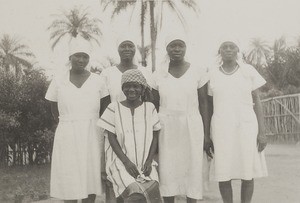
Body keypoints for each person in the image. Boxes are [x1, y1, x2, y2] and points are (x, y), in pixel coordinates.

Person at [45, 37, 110, 203]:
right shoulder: (58, 80)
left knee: (90, 175)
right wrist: (64, 122)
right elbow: (52, 106)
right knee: (69, 176)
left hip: (92, 132)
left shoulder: (98, 81)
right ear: (70, 57)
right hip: (67, 132)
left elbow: (105, 108)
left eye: (85, 56)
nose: (81, 60)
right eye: (77, 56)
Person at [206, 38, 268, 203]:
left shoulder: (248, 70)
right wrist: (208, 135)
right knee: (223, 171)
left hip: (246, 126)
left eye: (232, 46)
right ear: (219, 51)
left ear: (237, 50)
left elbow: (257, 102)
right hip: (221, 128)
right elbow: (209, 105)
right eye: (224, 46)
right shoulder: (211, 73)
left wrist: (262, 132)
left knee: (247, 171)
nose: (228, 49)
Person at [152, 35, 210, 203]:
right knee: (168, 170)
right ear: (166, 48)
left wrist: (206, 134)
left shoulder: (198, 71)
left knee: (192, 169)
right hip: (166, 127)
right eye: (172, 46)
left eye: (180, 45)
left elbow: (204, 103)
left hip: (191, 124)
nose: (176, 49)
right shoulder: (158, 74)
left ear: (186, 48)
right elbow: (153, 106)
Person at [98, 69, 162, 203]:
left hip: (145, 162)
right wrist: (126, 162)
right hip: (119, 162)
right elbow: (111, 138)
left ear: (142, 89)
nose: (131, 89)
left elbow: (155, 135)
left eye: (135, 86)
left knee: (153, 191)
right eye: (127, 86)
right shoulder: (113, 108)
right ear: (122, 88)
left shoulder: (149, 108)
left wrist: (150, 161)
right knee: (135, 194)